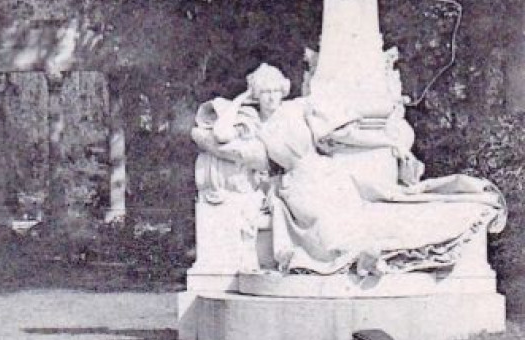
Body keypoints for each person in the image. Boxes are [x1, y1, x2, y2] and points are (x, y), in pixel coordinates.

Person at [192, 64, 502, 276]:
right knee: (328, 228)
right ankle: (360, 255)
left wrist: (387, 141)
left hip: (327, 174)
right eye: (264, 92)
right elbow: (219, 135)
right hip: (296, 185)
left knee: (370, 210)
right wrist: (242, 99)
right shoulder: (257, 129)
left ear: (283, 91)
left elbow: (341, 135)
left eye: (275, 91)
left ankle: (381, 251)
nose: (271, 97)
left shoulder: (298, 108)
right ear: (256, 95)